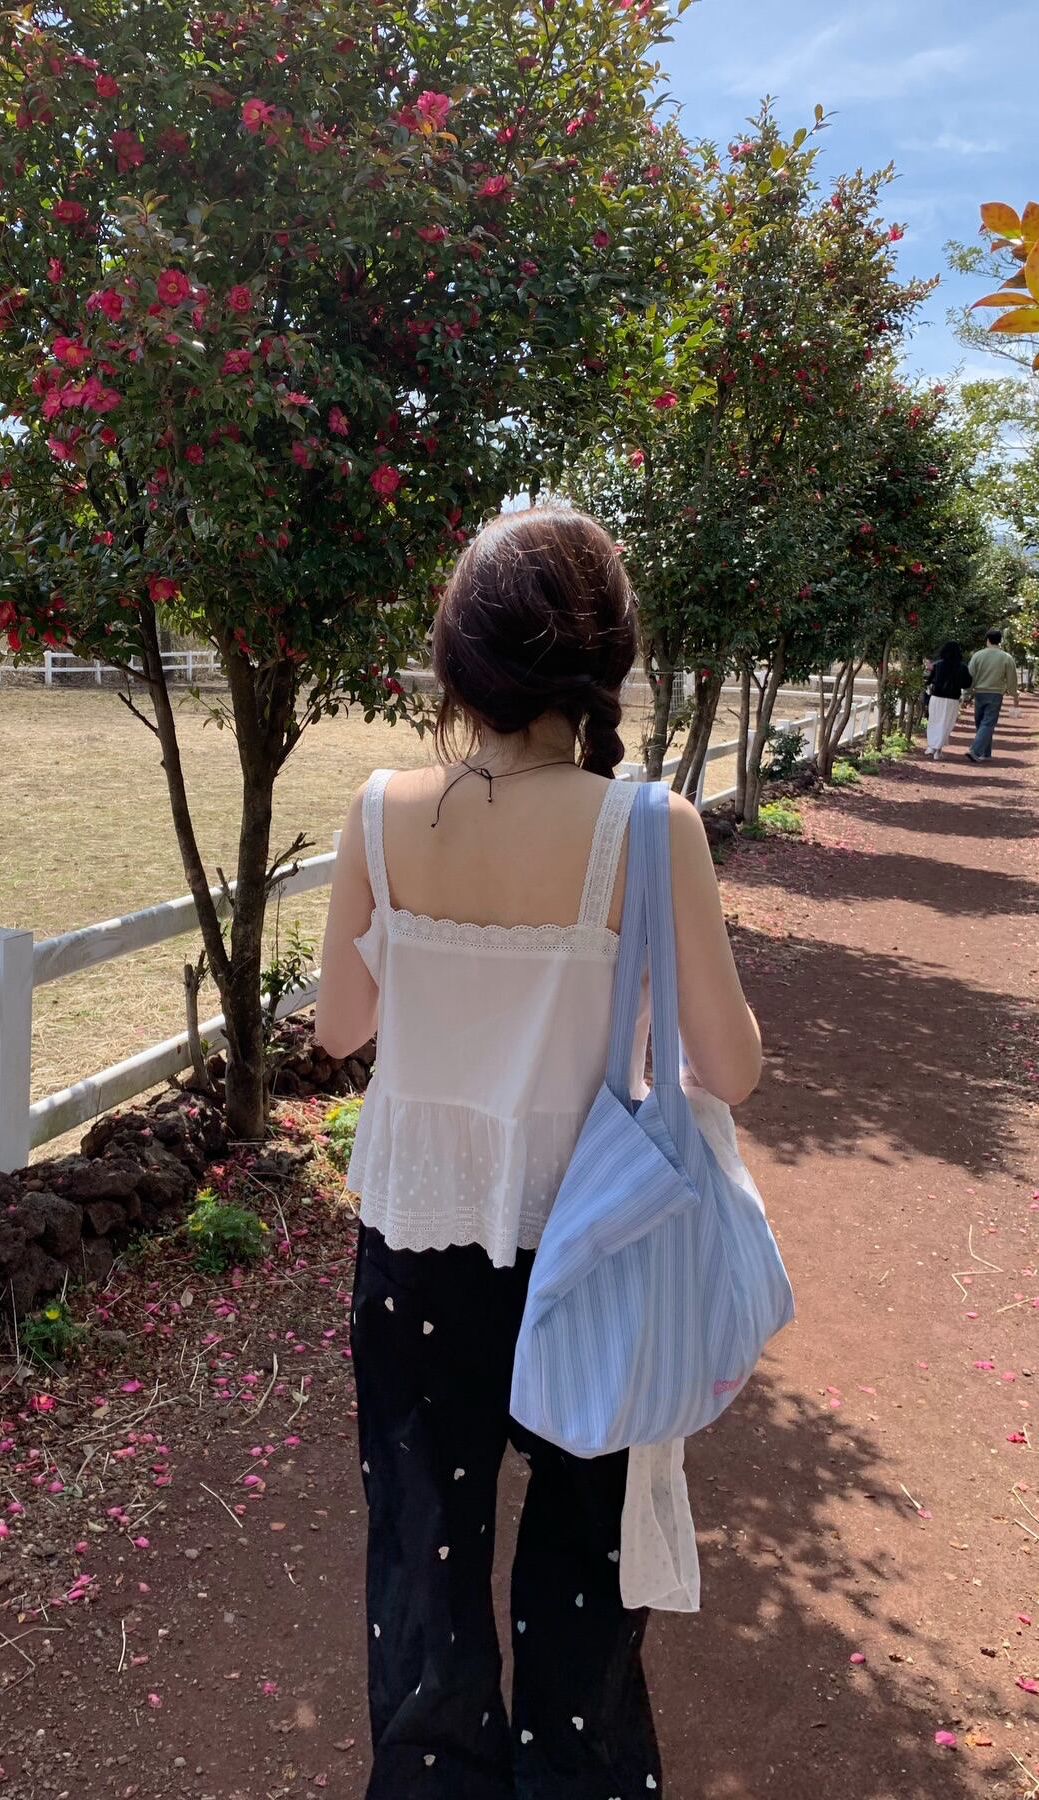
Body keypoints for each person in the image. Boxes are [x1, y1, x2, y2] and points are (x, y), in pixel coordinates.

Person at [316, 507, 762, 1800]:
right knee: (583, 1571)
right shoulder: (651, 828)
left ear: (456, 660)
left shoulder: (379, 813)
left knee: (422, 1553)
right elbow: (730, 1068)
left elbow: (342, 1028)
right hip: (592, 1250)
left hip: (416, 1246)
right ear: (607, 660)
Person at [965, 629, 1019, 763]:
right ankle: (982, 752)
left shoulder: (977, 655)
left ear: (987, 640)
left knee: (981, 722)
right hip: (996, 694)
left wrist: (966, 694)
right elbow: (1012, 679)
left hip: (979, 693)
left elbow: (970, 677)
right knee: (988, 723)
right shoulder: (1006, 657)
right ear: (1000, 641)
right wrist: (1014, 694)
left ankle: (977, 751)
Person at [924, 642, 971, 759]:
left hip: (936, 697)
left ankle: (932, 746)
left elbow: (929, 680)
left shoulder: (937, 665)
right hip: (952, 700)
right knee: (946, 724)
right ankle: (937, 750)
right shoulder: (962, 667)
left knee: (934, 722)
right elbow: (967, 684)